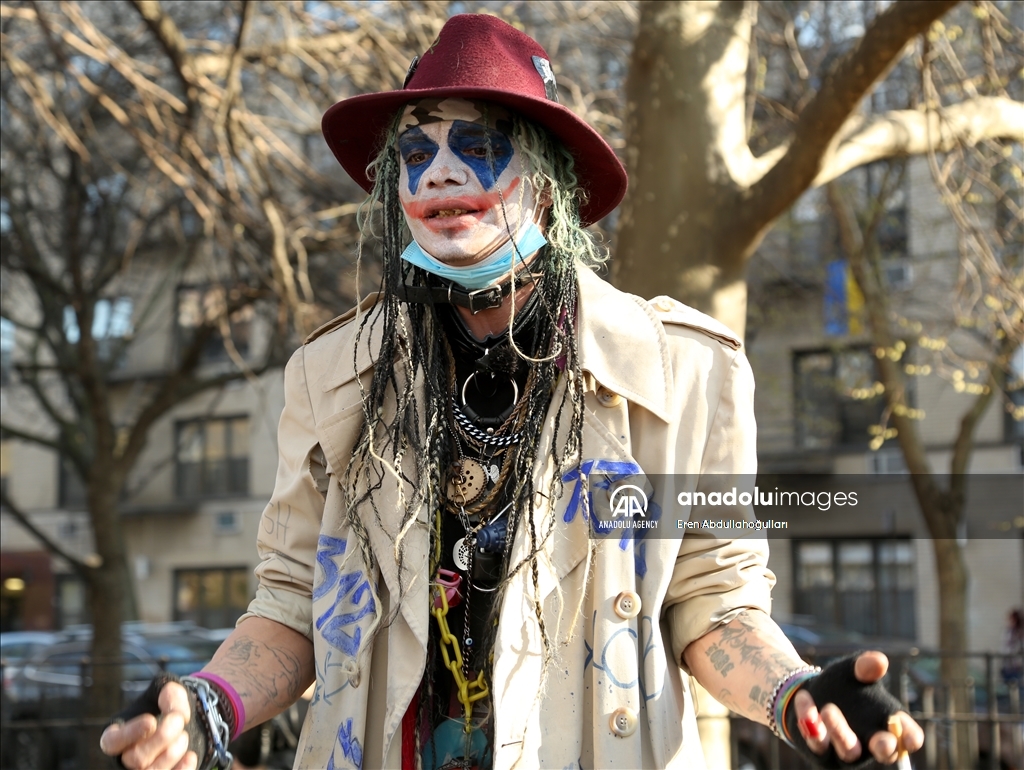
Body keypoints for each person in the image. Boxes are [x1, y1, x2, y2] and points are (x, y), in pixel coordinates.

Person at [101, 14, 923, 770]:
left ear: (552, 181)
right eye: (415, 155)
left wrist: (797, 694)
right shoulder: (331, 376)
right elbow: (291, 606)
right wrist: (206, 704)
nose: (442, 173)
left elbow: (714, 602)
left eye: (482, 146)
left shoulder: (686, 375)